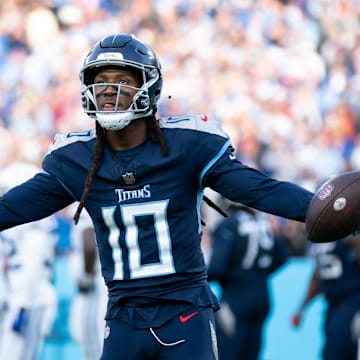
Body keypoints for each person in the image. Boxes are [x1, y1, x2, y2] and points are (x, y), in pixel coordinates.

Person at [0, 33, 314, 360]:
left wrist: (322, 208)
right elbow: (12, 207)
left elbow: (260, 190)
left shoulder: (188, 145)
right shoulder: (76, 160)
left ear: (148, 87)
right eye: (101, 80)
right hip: (122, 317)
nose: (108, 89)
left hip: (186, 313)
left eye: (122, 79)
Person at [207, 201, 289, 360]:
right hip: (262, 296)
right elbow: (282, 257)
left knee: (230, 353)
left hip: (236, 299)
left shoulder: (229, 224)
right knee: (252, 353)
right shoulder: (263, 221)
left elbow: (217, 267)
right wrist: (258, 274)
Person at [0, 162, 58, 360]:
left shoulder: (34, 223)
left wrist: (23, 304)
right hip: (17, 298)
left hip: (31, 300)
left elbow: (32, 263)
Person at [291, 236, 360, 360]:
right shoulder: (320, 237)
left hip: (351, 300)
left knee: (335, 352)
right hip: (332, 304)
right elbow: (318, 276)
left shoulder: (348, 233)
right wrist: (302, 308)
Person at [68, 208, 107, 360]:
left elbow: (89, 244)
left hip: (95, 282)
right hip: (102, 279)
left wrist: (86, 277)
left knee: (94, 343)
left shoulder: (83, 201)